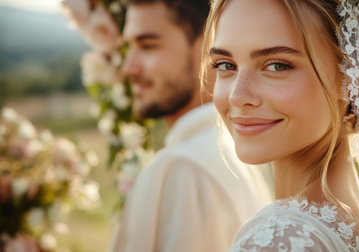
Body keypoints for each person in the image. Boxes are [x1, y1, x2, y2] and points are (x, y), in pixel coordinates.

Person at [201, 0, 359, 251]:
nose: (237, 95)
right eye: (226, 65)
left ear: (354, 76)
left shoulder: (280, 241)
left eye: (277, 66)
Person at [109, 0, 272, 251]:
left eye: (148, 46)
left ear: (208, 46)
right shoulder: (225, 151)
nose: (129, 67)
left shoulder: (184, 168)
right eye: (128, 48)